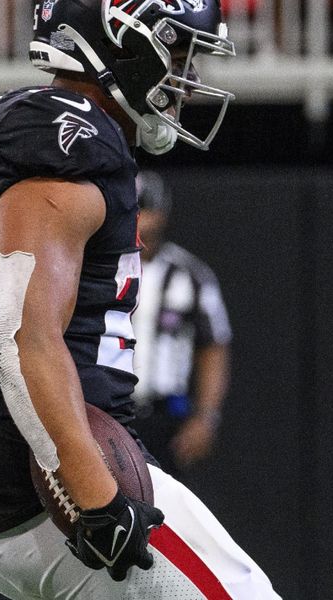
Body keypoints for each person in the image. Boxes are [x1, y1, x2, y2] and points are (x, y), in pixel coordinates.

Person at [0, 1, 280, 597]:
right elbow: (21, 335)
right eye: (178, 55)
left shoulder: (57, 129)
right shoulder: (70, 136)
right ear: (123, 42)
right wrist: (94, 494)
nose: (187, 84)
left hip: (22, 479)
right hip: (42, 484)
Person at [132, 170, 232, 475]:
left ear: (162, 214)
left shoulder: (190, 275)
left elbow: (214, 347)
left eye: (145, 209)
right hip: (110, 414)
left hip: (166, 416)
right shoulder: (95, 270)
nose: (139, 219)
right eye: (132, 209)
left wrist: (206, 416)